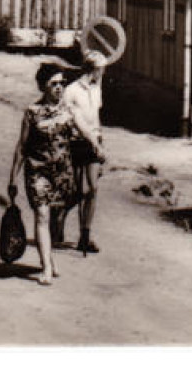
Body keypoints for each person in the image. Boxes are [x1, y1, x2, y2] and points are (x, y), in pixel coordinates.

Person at [8, 63, 84, 285]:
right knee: (42, 215)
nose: (59, 87)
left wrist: (95, 146)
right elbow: (21, 146)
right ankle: (47, 268)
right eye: (54, 83)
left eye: (62, 83)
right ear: (43, 86)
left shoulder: (69, 110)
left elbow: (82, 132)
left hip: (63, 173)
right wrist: (13, 176)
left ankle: (48, 256)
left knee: (55, 219)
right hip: (37, 171)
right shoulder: (32, 112)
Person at [62, 50, 107, 255]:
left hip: (93, 141)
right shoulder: (71, 90)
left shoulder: (97, 89)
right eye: (102, 69)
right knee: (75, 190)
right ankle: (58, 219)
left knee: (93, 188)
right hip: (75, 141)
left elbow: (95, 116)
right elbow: (69, 119)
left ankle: (85, 236)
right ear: (93, 69)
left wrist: (100, 140)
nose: (103, 73)